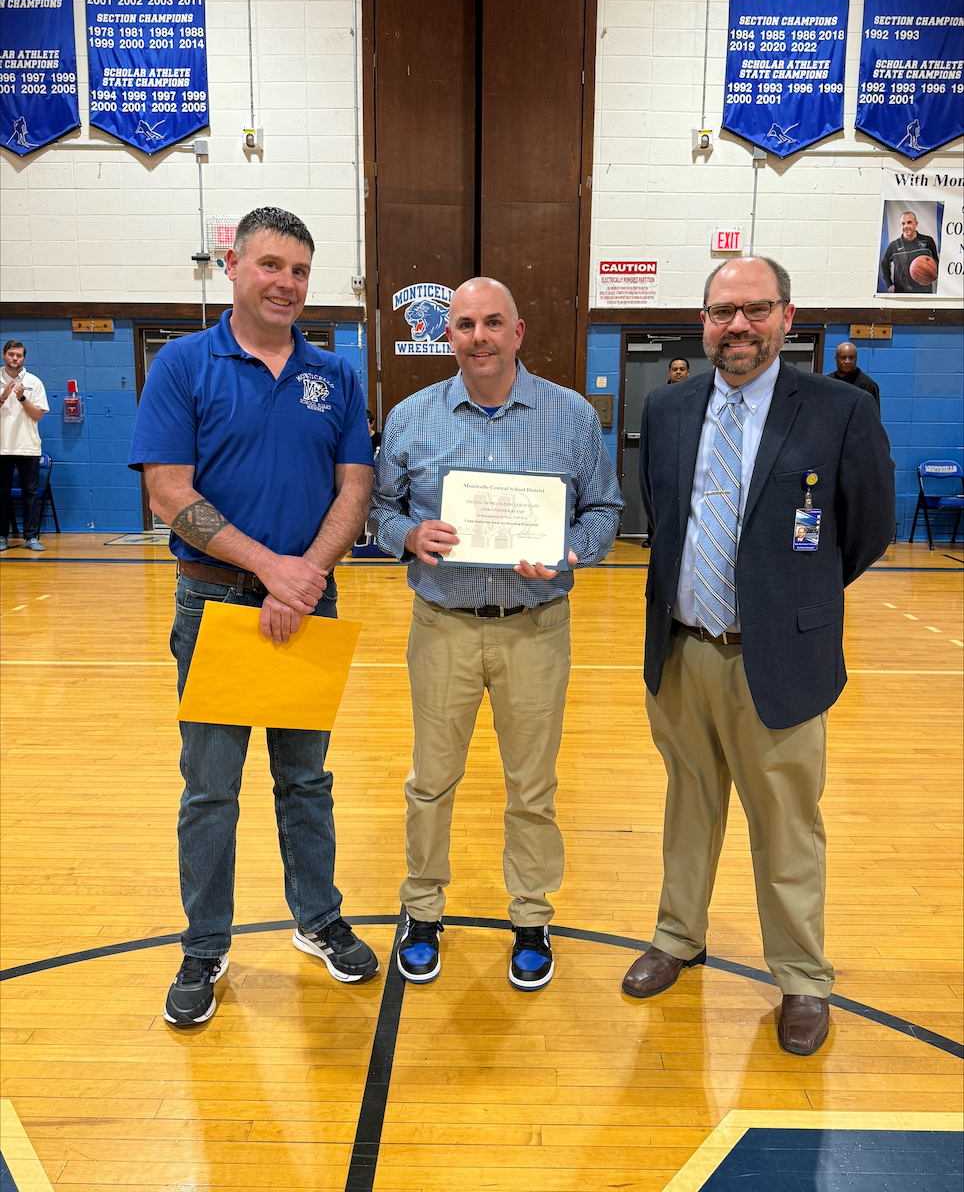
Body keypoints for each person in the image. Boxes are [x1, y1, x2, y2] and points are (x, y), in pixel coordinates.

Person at [622, 256, 894, 1056]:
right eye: (720, 312)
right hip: (681, 650)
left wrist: (790, 603)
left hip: (777, 658)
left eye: (754, 309)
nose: (736, 326)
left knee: (786, 826)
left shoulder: (838, 409)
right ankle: (679, 935)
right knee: (688, 806)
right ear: (702, 320)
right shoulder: (668, 408)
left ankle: (803, 978)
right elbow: (663, 519)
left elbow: (865, 529)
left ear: (787, 315)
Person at [128, 207, 378, 1027]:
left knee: (306, 780)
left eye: (301, 271)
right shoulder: (183, 364)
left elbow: (355, 488)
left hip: (312, 602)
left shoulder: (334, 375)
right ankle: (205, 945)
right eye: (271, 265)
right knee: (210, 788)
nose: (286, 284)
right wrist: (273, 568)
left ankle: (318, 918)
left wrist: (305, 576)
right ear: (232, 264)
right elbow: (168, 490)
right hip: (215, 604)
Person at [371, 277, 624, 990]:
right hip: (442, 625)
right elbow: (381, 509)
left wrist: (574, 550)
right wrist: (407, 533)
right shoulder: (412, 417)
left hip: (536, 627)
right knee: (430, 781)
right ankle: (422, 912)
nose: (477, 336)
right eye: (463, 325)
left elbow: (605, 509)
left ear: (518, 332)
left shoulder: (570, 417)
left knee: (532, 786)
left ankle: (531, 918)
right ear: (446, 336)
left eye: (492, 323)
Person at [0, 340, 49, 553]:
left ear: (24, 358)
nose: (14, 358)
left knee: (30, 495)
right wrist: (3, 397)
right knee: (1, 495)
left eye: (18, 355)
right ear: (4, 355)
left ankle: (31, 537)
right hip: (1, 449)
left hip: (28, 448)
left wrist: (21, 398)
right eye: (11, 354)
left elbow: (38, 415)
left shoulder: (34, 382)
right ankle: (2, 536)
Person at [880, 211, 939, 294]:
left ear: (916, 224)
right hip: (901, 293)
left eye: (909, 222)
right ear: (900, 226)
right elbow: (884, 265)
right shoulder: (894, 246)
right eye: (903, 224)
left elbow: (936, 264)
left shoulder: (928, 241)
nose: (906, 226)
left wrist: (931, 277)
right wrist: (889, 284)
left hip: (924, 293)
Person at [827, 342, 880, 410]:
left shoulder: (867, 385)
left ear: (856, 358)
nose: (847, 361)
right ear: (836, 359)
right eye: (843, 358)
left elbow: (873, 416)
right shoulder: (828, 382)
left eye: (851, 358)